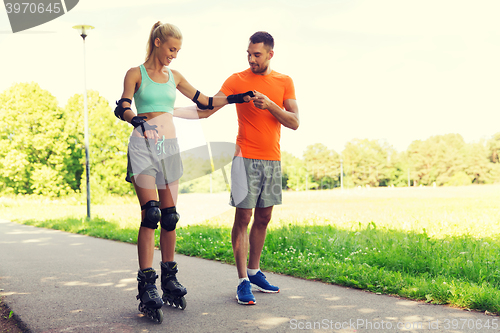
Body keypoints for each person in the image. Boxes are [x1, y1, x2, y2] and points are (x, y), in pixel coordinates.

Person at [113, 21, 255, 317]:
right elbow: (123, 105)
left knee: (170, 217)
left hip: (170, 148)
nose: (174, 55)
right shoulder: (135, 73)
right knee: (150, 213)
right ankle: (147, 283)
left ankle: (169, 276)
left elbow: (204, 101)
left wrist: (235, 99)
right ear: (157, 43)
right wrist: (135, 119)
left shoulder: (174, 77)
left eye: (177, 50)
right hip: (143, 146)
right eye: (171, 49)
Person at [200, 31, 299, 305]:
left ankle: (255, 272)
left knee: (264, 218)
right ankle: (243, 279)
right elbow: (209, 107)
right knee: (243, 218)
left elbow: (294, 121)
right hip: (245, 158)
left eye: (257, 54)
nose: (252, 59)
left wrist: (269, 105)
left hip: (272, 159)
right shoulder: (237, 80)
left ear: (270, 54)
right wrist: (169, 107)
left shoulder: (284, 81)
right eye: (249, 54)